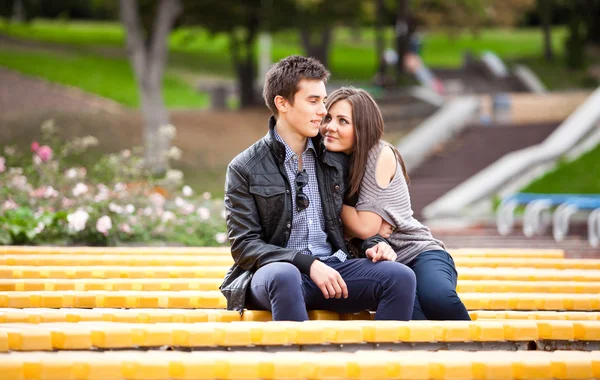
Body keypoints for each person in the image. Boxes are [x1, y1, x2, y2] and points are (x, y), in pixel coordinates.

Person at [220, 56, 416, 321]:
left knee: (399, 276)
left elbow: (350, 225)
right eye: (313, 101)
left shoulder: (336, 158)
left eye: (323, 100)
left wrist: (376, 244)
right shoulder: (245, 167)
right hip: (274, 274)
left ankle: (381, 360)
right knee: (284, 276)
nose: (323, 110)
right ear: (282, 103)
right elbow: (244, 246)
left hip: (335, 268)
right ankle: (302, 361)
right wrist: (307, 264)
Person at [321, 86, 470, 321]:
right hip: (381, 265)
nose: (330, 127)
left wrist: (330, 204)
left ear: (361, 128)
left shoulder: (378, 154)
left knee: (438, 298)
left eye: (342, 121)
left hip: (418, 252)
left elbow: (366, 227)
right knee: (414, 317)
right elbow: (367, 227)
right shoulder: (325, 160)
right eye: (328, 118)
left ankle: (474, 349)